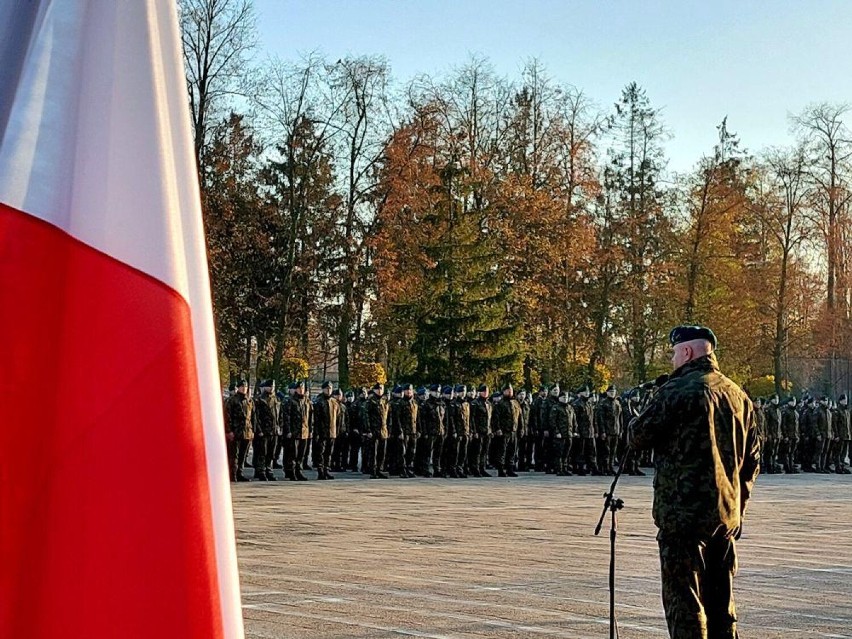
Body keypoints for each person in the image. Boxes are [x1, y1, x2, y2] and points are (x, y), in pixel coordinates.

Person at [630, 325, 760, 639]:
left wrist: (636, 413)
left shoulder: (678, 390)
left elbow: (638, 436)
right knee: (720, 605)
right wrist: (737, 509)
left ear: (687, 351)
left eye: (675, 352)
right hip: (724, 516)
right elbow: (752, 460)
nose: (673, 359)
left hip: (683, 516)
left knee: (684, 603)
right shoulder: (738, 395)